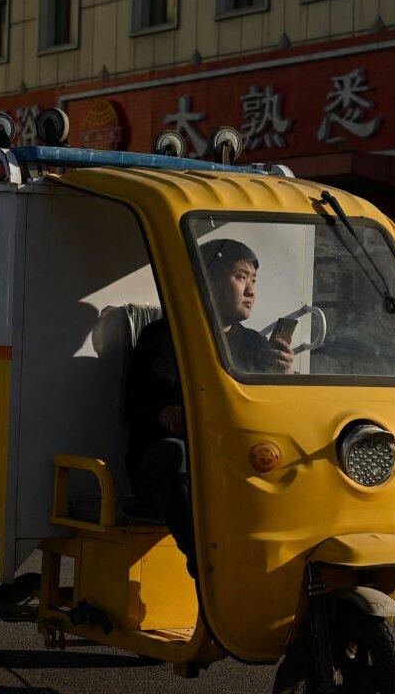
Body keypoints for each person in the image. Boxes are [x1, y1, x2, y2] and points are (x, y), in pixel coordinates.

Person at [126, 239, 293, 576]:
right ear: (209, 280)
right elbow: (160, 401)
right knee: (173, 454)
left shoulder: (254, 345)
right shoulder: (164, 335)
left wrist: (283, 379)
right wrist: (171, 409)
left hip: (235, 464)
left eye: (254, 281)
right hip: (180, 467)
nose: (250, 291)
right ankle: (206, 564)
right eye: (241, 277)